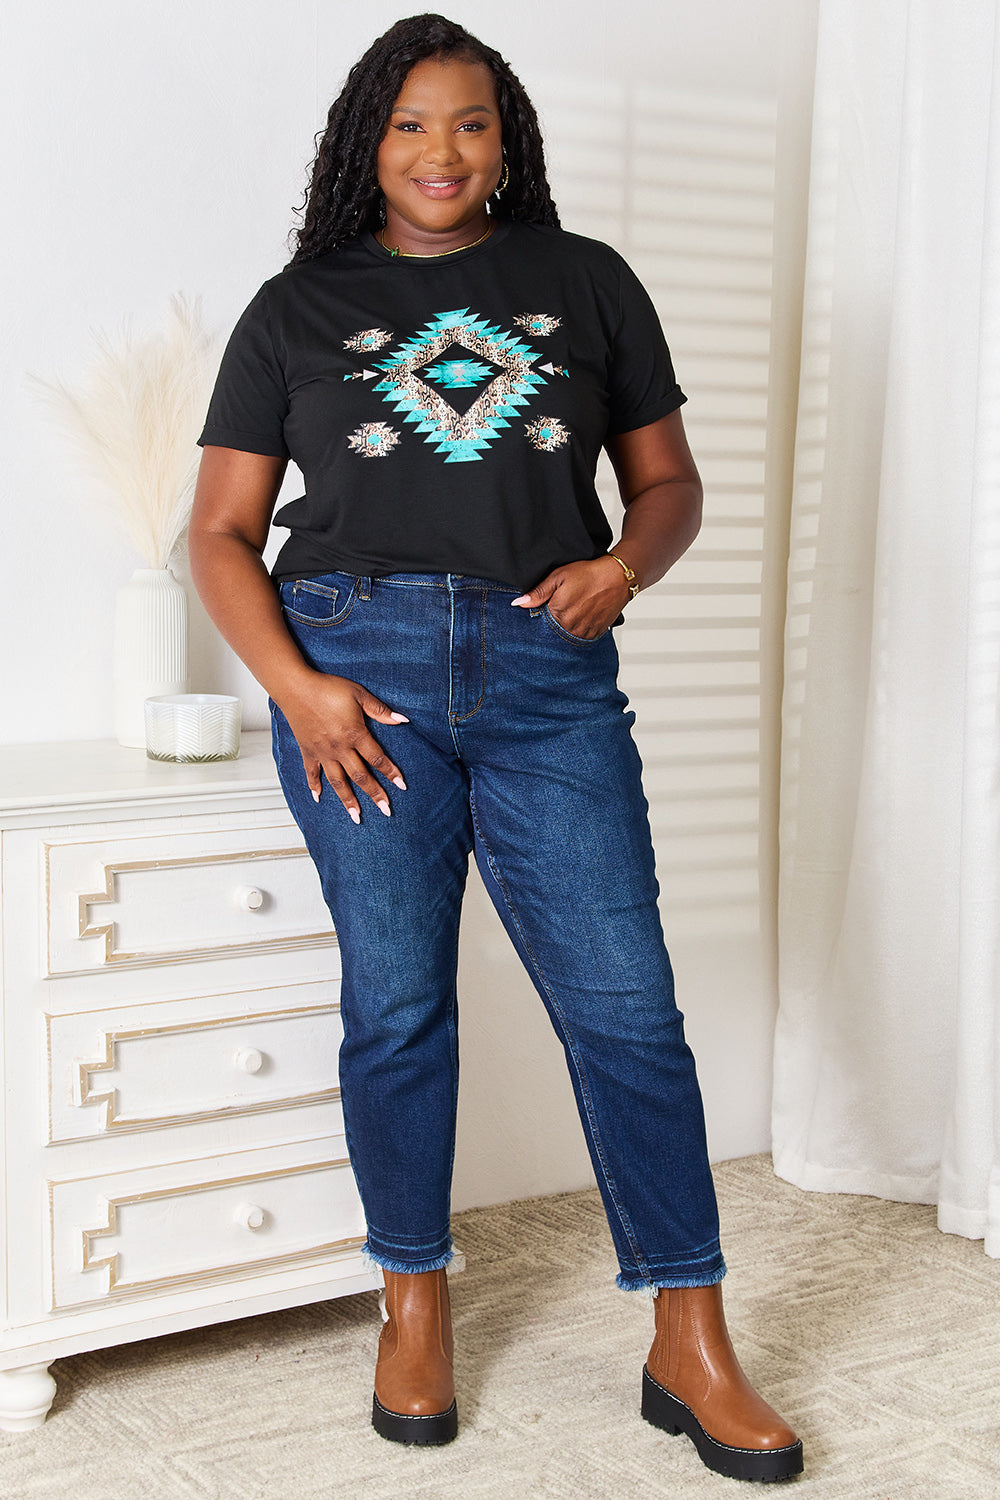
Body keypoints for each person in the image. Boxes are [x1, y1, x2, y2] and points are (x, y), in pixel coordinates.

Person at [189, 13, 802, 1483]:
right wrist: (299, 688)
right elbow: (214, 535)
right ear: (365, 145)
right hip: (359, 682)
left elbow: (667, 483)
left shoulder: (585, 283)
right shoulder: (295, 306)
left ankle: (690, 1335)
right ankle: (414, 1303)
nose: (440, 152)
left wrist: (628, 570)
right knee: (396, 1006)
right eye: (408, 126)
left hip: (548, 672)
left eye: (469, 123)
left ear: (506, 139)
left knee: (629, 1011)